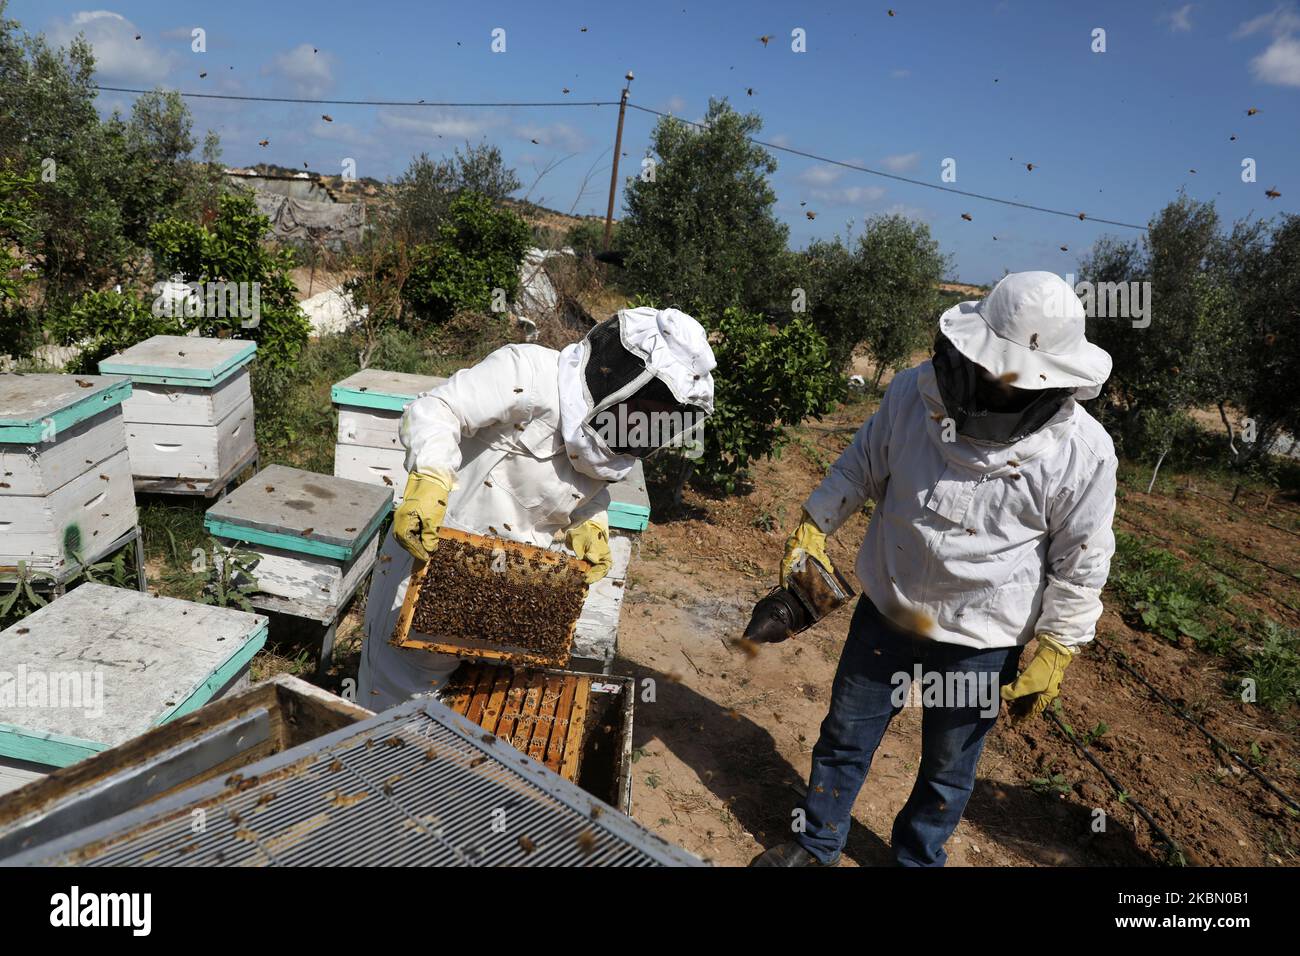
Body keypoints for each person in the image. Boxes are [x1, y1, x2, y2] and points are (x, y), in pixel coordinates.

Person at [752, 271, 1117, 867]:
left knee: (948, 771)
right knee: (845, 737)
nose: (1001, 389)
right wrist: (816, 523)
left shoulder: (1083, 451)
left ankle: (917, 862)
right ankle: (815, 845)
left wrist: (1059, 642)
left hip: (982, 636)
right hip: (888, 608)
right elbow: (860, 466)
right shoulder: (912, 393)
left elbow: (1082, 559)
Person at [358, 307, 716, 710]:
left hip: (512, 590)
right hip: (432, 563)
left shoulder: (613, 440)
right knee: (393, 710)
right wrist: (431, 477)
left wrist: (591, 520)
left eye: (661, 415)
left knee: (477, 710)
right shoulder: (528, 372)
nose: (646, 421)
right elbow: (437, 409)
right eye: (649, 405)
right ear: (620, 373)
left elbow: (587, 485)